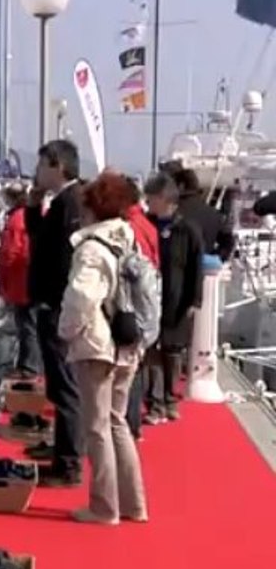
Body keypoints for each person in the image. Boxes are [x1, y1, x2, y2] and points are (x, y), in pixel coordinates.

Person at [58, 171, 148, 525]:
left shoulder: (92, 249)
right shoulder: (128, 240)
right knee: (117, 422)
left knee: (96, 427)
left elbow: (81, 297)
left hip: (98, 344)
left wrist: (66, 330)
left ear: (93, 208)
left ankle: (104, 506)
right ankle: (134, 503)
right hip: (128, 340)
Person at [24, 139, 84, 486]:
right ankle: (63, 450)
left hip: (58, 306)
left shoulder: (71, 203)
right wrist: (33, 208)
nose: (37, 172)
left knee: (65, 387)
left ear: (57, 166)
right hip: (52, 305)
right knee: (58, 384)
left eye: (41, 165)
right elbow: (41, 241)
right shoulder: (60, 203)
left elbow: (65, 258)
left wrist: (54, 302)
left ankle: (69, 463)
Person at [143, 173, 203, 424]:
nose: (148, 202)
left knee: (173, 351)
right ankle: (154, 402)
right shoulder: (147, 225)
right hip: (151, 296)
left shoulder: (187, 230)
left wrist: (195, 300)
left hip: (177, 298)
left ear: (164, 198)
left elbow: (196, 267)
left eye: (152, 198)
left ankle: (169, 398)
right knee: (152, 351)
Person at [123, 176, 160, 441]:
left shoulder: (130, 228)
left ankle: (129, 425)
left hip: (132, 305)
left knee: (129, 369)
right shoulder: (146, 225)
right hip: (146, 304)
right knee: (136, 367)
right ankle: (132, 424)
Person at [0, 183, 41, 378]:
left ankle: (29, 367)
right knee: (29, 323)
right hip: (30, 277)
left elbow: (10, 252)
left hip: (20, 280)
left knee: (26, 325)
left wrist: (2, 271)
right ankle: (27, 363)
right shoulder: (27, 216)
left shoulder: (16, 220)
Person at [173, 168, 234, 262]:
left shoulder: (168, 212)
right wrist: (214, 259)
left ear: (181, 187)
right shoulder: (214, 214)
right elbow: (228, 242)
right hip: (201, 266)